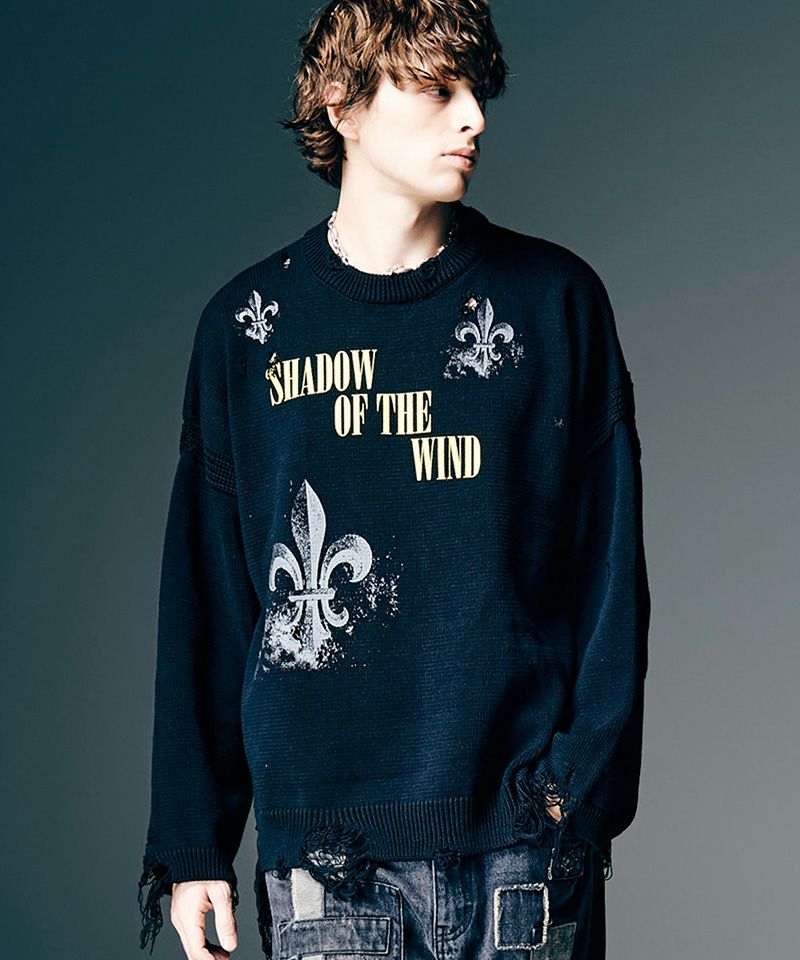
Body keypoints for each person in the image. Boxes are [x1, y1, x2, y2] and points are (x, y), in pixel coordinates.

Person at [137, 2, 651, 958]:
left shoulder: (553, 305)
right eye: (437, 89)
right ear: (343, 104)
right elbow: (209, 598)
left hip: (523, 849)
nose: (475, 118)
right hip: (326, 860)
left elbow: (611, 577)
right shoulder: (248, 328)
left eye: (476, 90)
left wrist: (574, 799)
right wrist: (193, 841)